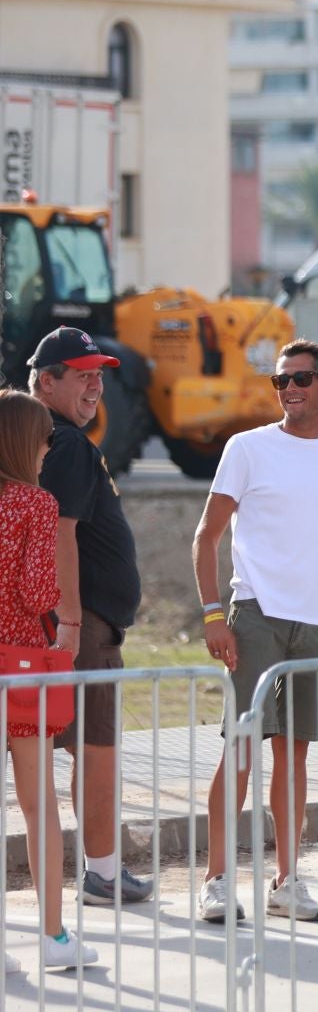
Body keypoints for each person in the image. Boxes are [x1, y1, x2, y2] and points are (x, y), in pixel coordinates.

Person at [194, 341, 318, 924]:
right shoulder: (247, 447)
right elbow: (206, 536)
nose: (290, 388)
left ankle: (287, 879)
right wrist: (212, 615)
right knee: (242, 749)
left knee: (295, 757)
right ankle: (217, 881)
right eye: (281, 381)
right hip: (254, 613)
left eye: (302, 378)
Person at [29, 327, 154, 908]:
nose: (95, 385)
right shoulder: (69, 445)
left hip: (59, 625)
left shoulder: (40, 441)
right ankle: (102, 874)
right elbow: (60, 536)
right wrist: (73, 623)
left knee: (53, 751)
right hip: (81, 629)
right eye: (81, 374)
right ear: (46, 381)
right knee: (96, 749)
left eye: (98, 374)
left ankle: (97, 870)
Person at [0, 390, 98, 971]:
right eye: (42, 439)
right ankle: (53, 936)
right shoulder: (34, 504)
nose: (45, 450)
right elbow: (38, 593)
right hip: (22, 665)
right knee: (39, 805)